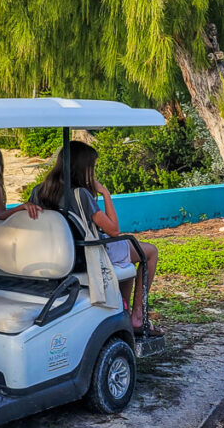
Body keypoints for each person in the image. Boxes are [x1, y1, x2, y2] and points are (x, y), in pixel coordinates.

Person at [30, 141, 161, 334]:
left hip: (57, 254)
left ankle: (123, 309)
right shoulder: (80, 194)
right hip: (87, 252)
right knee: (149, 252)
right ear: (83, 168)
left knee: (127, 258)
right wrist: (105, 193)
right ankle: (137, 316)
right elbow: (114, 230)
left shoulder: (38, 191)